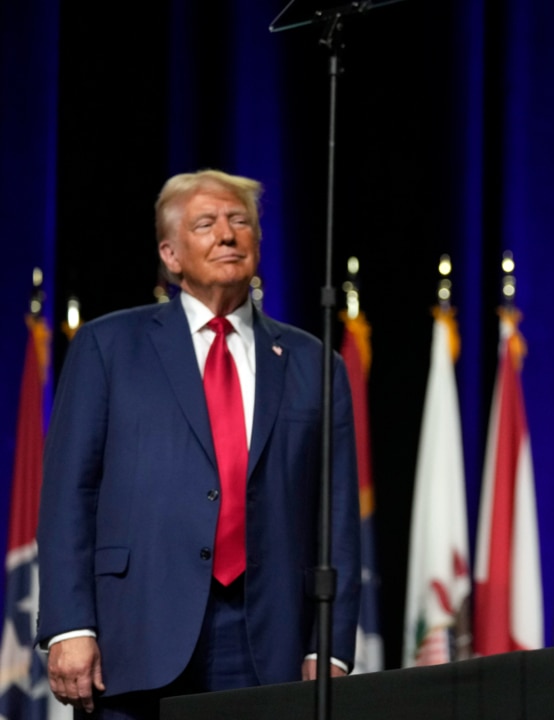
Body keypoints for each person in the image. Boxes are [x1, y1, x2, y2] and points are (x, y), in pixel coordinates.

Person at [36, 170, 360, 718]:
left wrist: (328, 644)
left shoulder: (313, 363)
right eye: (206, 224)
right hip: (134, 631)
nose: (227, 235)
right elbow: (70, 494)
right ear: (171, 254)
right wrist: (69, 624)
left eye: (240, 222)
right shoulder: (107, 347)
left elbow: (337, 516)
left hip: (270, 639)